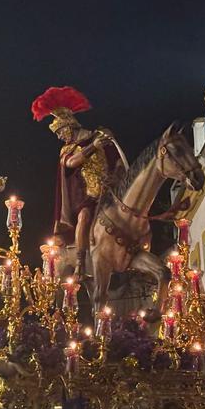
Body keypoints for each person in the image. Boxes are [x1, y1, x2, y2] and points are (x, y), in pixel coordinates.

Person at [31, 86, 128, 276]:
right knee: (84, 216)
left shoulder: (96, 136)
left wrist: (116, 171)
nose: (59, 136)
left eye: (60, 131)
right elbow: (71, 162)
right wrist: (93, 146)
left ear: (69, 126)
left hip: (111, 190)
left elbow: (117, 160)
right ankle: (80, 262)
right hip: (88, 195)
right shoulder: (67, 149)